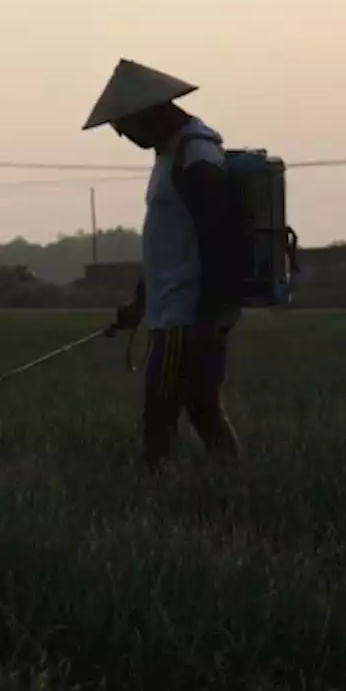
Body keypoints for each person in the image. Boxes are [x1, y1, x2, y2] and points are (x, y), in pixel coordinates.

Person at [82, 59, 243, 470]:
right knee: (202, 407)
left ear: (148, 112)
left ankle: (159, 491)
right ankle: (231, 478)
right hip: (173, 309)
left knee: (160, 412)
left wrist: (209, 316)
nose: (125, 137)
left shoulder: (198, 155)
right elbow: (167, 245)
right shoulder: (171, 155)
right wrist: (139, 302)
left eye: (124, 127)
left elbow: (219, 240)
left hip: (186, 316)